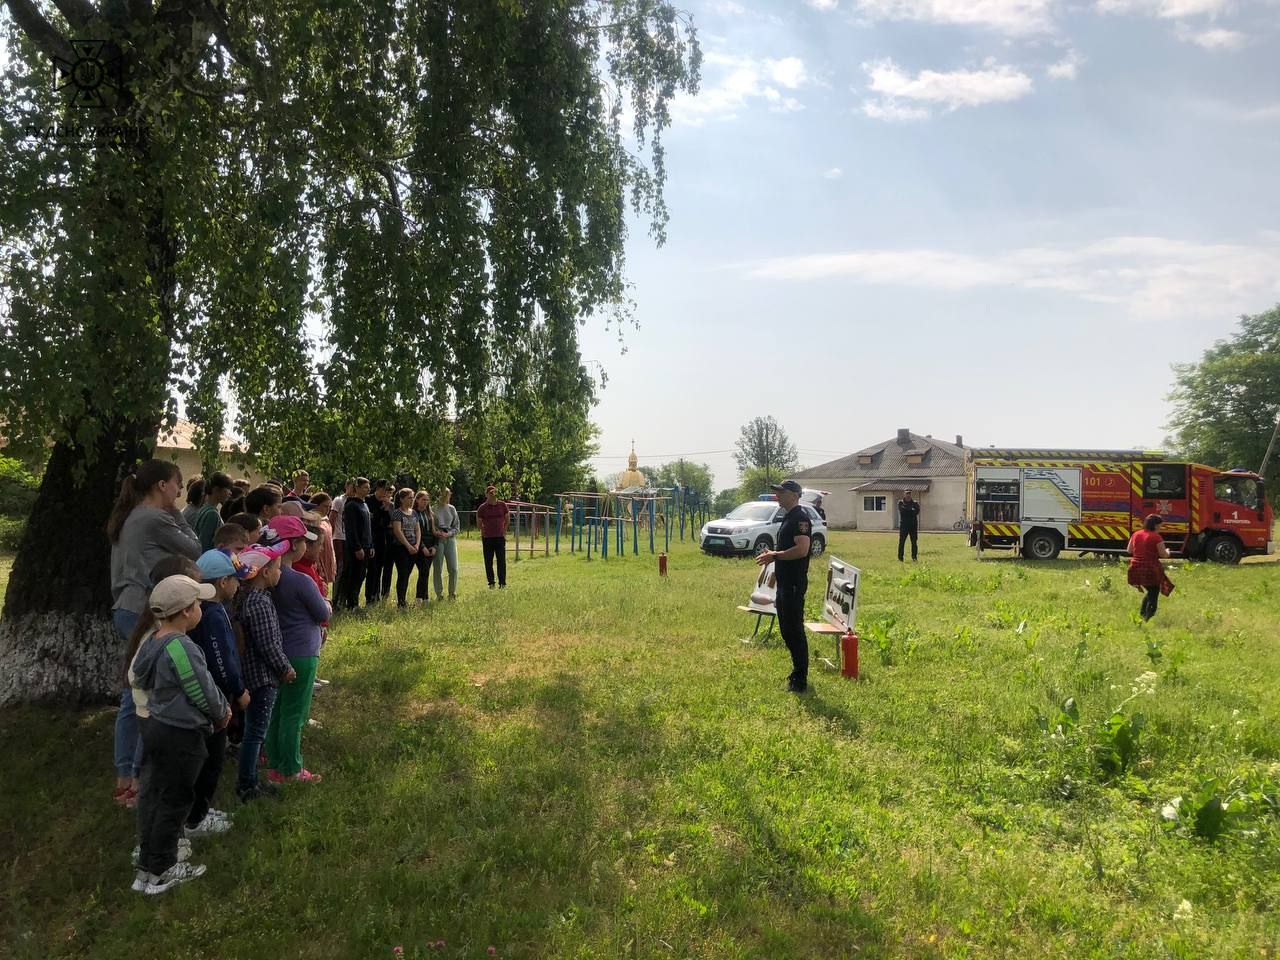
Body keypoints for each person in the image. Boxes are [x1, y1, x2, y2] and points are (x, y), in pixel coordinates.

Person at [127, 574, 229, 894]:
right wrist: (221, 712)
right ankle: (163, 869)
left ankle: (147, 866)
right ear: (186, 611)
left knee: (158, 796)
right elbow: (200, 688)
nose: (200, 608)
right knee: (176, 800)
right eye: (197, 603)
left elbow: (141, 679)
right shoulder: (180, 646)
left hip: (156, 727)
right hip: (181, 733)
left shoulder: (153, 641)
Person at [108, 459, 202, 806]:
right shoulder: (156, 518)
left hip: (125, 607)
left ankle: (125, 777)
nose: (180, 490)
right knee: (146, 697)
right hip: (144, 610)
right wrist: (178, 514)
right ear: (162, 485)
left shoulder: (132, 515)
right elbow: (195, 548)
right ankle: (137, 779)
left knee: (133, 693)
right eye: (177, 483)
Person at [264, 518, 329, 783]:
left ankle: (274, 761)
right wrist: (327, 603)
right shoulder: (300, 581)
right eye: (303, 541)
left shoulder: (267, 577)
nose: (306, 546)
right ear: (292, 545)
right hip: (302, 653)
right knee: (295, 713)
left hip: (277, 651)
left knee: (278, 710)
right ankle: (290, 769)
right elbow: (322, 613)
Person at [234, 544, 294, 802]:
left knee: (254, 729)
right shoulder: (258, 602)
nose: (280, 572)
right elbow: (267, 644)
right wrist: (285, 667)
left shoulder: (247, 597)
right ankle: (247, 784)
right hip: (261, 676)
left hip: (254, 674)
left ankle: (250, 779)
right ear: (265, 572)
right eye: (277, 568)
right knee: (256, 732)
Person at [755, 480, 813, 694]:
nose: (777, 495)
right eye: (777, 492)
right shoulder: (788, 517)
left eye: (782, 492)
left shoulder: (800, 518)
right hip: (785, 583)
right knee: (787, 630)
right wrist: (774, 555)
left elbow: (802, 549)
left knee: (794, 630)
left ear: (795, 495)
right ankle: (797, 671)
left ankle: (800, 678)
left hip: (794, 584)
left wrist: (775, 556)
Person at [1128, 514, 1174, 621]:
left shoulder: (1136, 534)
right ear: (1155, 525)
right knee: (1153, 592)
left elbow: (1129, 550)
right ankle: (1147, 616)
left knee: (1151, 590)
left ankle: (1142, 615)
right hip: (1150, 568)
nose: (1160, 528)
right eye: (1160, 525)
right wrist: (1168, 552)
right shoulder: (1156, 537)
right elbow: (1163, 554)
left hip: (1135, 567)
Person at [340, 478, 373, 610]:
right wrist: (357, 547)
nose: (368, 489)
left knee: (361, 575)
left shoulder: (365, 504)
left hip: (366, 545)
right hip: (356, 548)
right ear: (357, 488)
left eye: (368, 487)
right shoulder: (351, 505)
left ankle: (355, 602)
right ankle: (350, 604)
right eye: (365, 487)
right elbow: (351, 529)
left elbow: (368, 528)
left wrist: (371, 545)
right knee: (353, 575)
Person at [389, 488, 424, 607]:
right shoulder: (397, 513)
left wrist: (417, 544)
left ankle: (403, 600)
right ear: (402, 499)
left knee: (407, 574)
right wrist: (408, 546)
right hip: (401, 548)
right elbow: (397, 531)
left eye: (413, 497)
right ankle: (401, 602)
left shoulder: (414, 513)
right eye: (409, 498)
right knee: (402, 574)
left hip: (414, 548)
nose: (412, 500)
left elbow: (417, 530)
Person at [365, 479, 393, 603]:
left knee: (379, 568)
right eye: (384, 491)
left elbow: (387, 523)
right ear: (378, 489)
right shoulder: (368, 500)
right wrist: (381, 509)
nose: (385, 494)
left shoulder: (386, 503)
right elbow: (372, 519)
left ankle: (376, 595)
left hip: (382, 539)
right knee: (372, 568)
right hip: (370, 538)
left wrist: (386, 508)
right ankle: (369, 596)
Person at [191, 472, 235, 551]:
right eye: (228, 489)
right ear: (216, 489)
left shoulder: (204, 508)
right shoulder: (212, 514)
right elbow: (205, 544)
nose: (230, 493)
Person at [477, 484, 510, 589]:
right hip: (487, 538)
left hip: (500, 537)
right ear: (486, 494)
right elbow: (479, 522)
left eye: (494, 493)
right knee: (488, 561)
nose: (493, 495)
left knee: (501, 561)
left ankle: (502, 583)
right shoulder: (482, 508)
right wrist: (483, 531)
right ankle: (491, 583)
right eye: (490, 493)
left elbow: (507, 519)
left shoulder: (502, 505)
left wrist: (504, 531)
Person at [432, 487, 460, 601]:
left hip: (450, 538)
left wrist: (448, 534)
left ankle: (452, 593)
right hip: (438, 539)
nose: (447, 497)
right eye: (446, 494)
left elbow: (457, 526)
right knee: (438, 567)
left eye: (448, 495)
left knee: (453, 568)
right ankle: (439, 594)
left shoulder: (452, 508)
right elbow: (431, 525)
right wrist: (437, 532)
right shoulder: (433, 508)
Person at [307, 492, 337, 589]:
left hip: (326, 556)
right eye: (325, 506)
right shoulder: (310, 520)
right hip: (316, 558)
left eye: (329, 507)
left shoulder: (326, 520)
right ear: (316, 505)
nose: (328, 509)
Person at [412, 490, 439, 602]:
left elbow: (435, 532)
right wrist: (422, 547)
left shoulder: (431, 514)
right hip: (419, 546)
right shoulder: (413, 513)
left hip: (431, 546)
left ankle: (425, 598)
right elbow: (415, 533)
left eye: (427, 500)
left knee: (426, 572)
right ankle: (419, 598)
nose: (425, 502)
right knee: (424, 571)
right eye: (423, 500)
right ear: (417, 500)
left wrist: (435, 546)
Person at [330, 479, 354, 585]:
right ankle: (336, 592)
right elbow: (332, 519)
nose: (353, 490)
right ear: (346, 486)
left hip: (350, 539)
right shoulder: (339, 500)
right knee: (340, 567)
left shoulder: (356, 502)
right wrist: (331, 537)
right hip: (339, 537)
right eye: (352, 487)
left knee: (349, 568)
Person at [897, 489, 920, 562]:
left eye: (909, 494)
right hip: (904, 526)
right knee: (901, 542)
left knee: (914, 542)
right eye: (907, 493)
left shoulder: (915, 503)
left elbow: (916, 512)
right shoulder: (900, 503)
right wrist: (911, 510)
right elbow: (902, 511)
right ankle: (900, 558)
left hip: (913, 526)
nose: (908, 495)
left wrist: (909, 510)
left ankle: (914, 558)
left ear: (911, 495)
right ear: (904, 494)